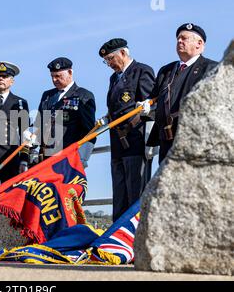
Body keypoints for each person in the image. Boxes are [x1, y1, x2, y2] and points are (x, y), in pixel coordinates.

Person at [138, 23, 217, 163]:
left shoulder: (211, 68)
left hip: (193, 139)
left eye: (184, 38)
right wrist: (148, 108)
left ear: (199, 44)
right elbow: (155, 100)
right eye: (178, 39)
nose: (179, 41)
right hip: (166, 140)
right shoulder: (166, 71)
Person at [97, 38, 155, 221]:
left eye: (111, 59)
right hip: (117, 142)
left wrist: (150, 141)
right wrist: (108, 116)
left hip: (136, 140)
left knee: (135, 193)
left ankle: (134, 237)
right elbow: (117, 106)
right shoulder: (113, 78)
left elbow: (150, 106)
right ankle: (116, 238)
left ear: (123, 53)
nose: (109, 64)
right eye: (106, 61)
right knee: (119, 193)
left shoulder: (142, 71)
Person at [25, 57, 96, 167]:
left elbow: (89, 130)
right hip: (45, 158)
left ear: (70, 72)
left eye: (58, 76)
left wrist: (83, 158)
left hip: (69, 158)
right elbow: (39, 124)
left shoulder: (83, 95)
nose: (54, 80)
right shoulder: (47, 96)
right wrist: (32, 139)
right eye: (52, 76)